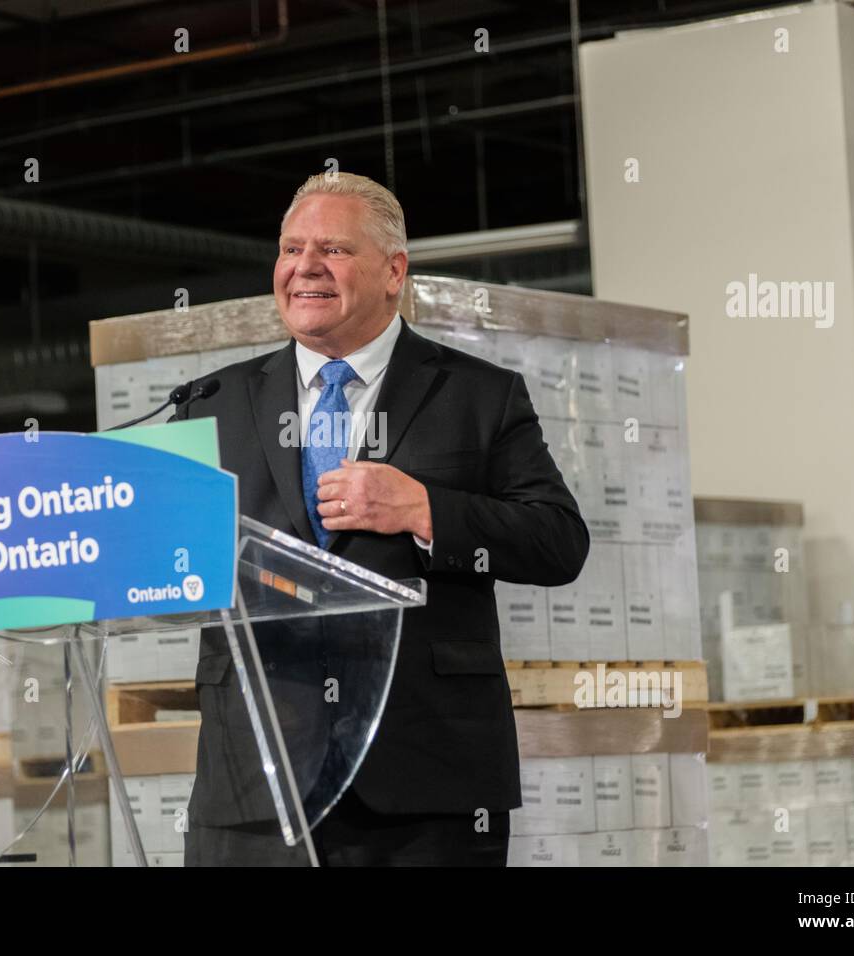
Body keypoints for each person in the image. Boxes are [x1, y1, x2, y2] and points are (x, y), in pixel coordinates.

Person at [176, 171, 589, 865]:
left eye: (332, 249)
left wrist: (425, 509)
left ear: (394, 271)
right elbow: (170, 560)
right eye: (289, 249)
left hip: (426, 785)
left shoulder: (479, 396)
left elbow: (558, 541)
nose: (303, 266)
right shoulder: (208, 403)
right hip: (254, 783)